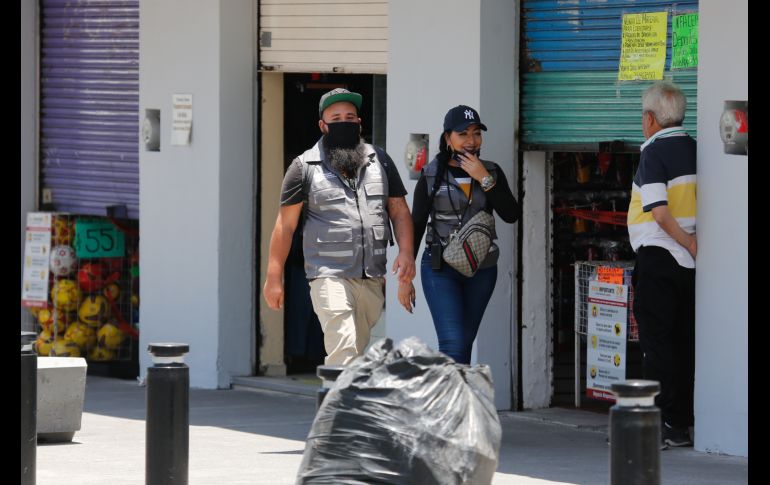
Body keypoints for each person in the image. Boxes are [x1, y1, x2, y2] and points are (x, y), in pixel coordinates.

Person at [263, 88, 415, 366]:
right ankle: (339, 394)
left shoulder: (379, 160)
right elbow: (285, 226)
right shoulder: (303, 167)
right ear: (323, 125)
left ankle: (338, 394)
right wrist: (274, 277)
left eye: (350, 117)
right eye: (336, 118)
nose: (345, 123)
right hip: (328, 275)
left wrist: (406, 253)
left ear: (359, 123)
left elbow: (399, 210)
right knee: (343, 350)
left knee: (353, 357)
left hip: (371, 277)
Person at [399, 105, 520, 364]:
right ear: (447, 138)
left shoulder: (492, 172)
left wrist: (483, 177)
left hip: (482, 269)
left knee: (463, 344)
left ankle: (457, 391)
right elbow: (416, 225)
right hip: (440, 268)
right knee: (453, 343)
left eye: (476, 133)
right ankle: (450, 392)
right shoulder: (431, 174)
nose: (471, 141)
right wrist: (405, 279)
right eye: (463, 134)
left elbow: (511, 214)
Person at [627, 81, 697, 448]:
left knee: (656, 344)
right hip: (689, 264)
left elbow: (658, 211)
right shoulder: (696, 149)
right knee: (683, 342)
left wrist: (686, 241)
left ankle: (655, 425)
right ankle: (679, 424)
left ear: (651, 119)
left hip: (659, 256)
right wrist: (693, 246)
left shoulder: (654, 152)